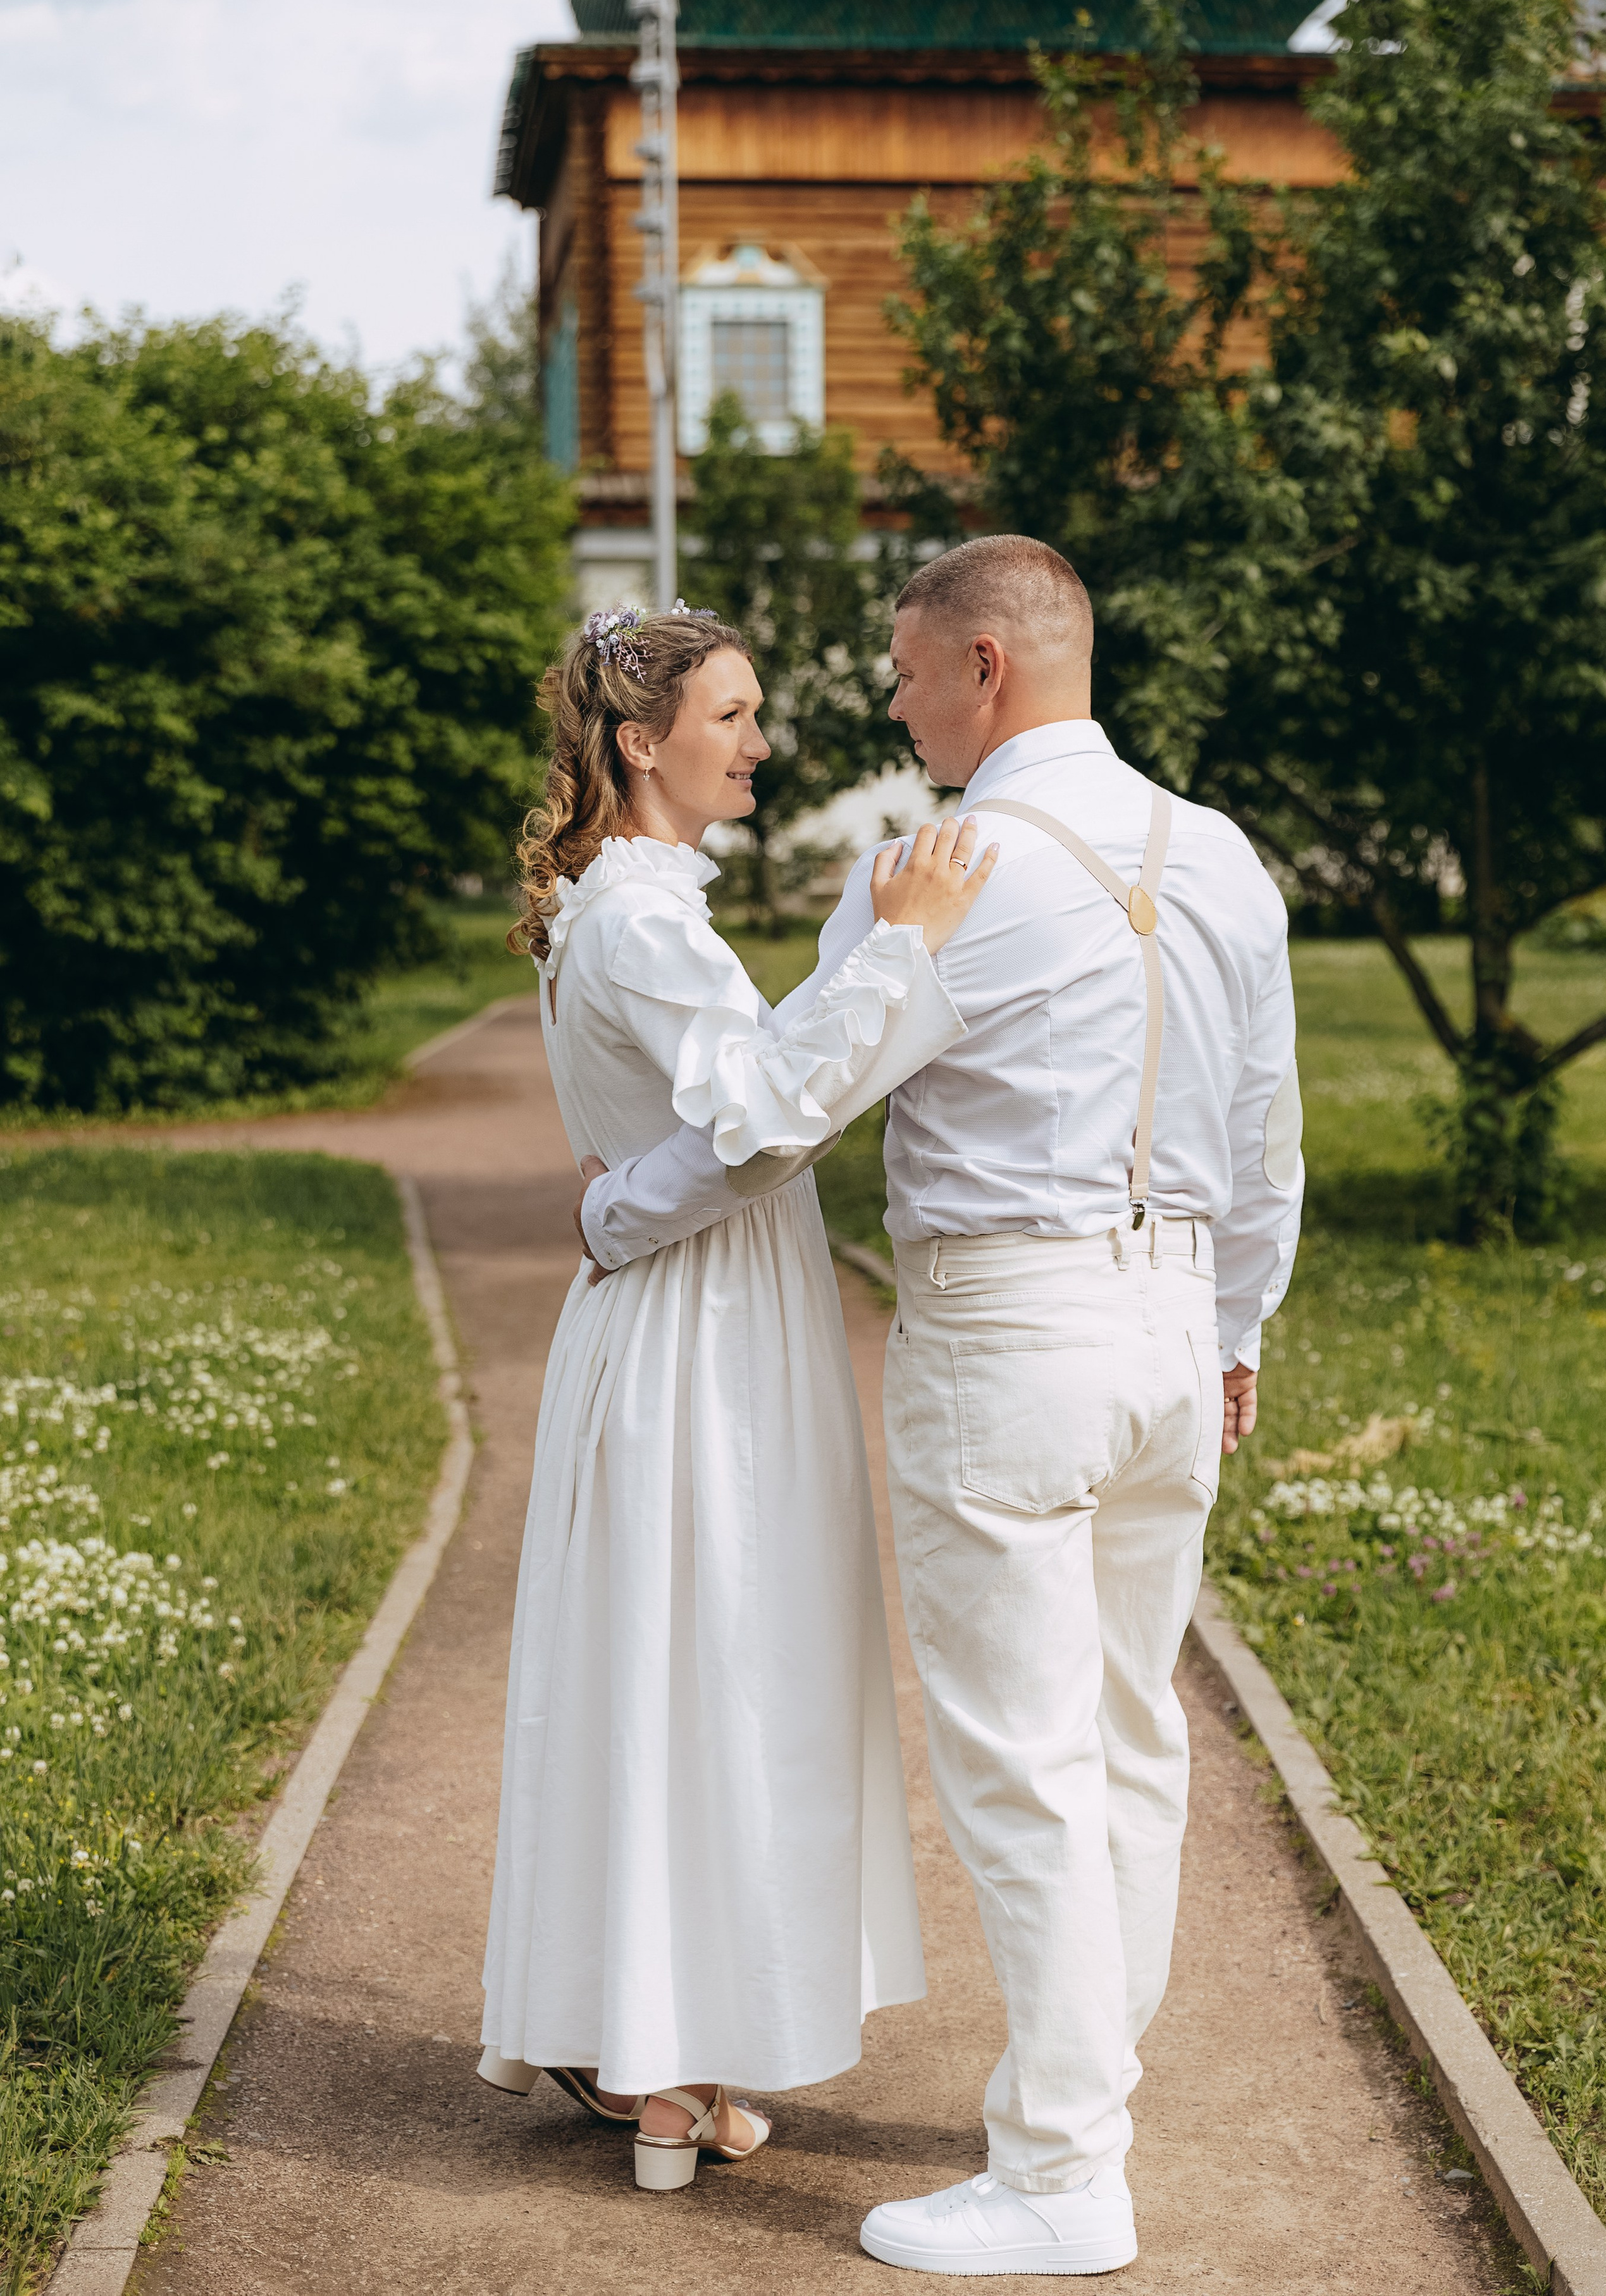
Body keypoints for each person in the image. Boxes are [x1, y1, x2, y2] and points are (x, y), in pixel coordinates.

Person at [576, 537, 1304, 2271]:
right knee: (1134, 1731)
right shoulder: (1217, 856)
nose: (890, 708)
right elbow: (1271, 1134)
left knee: (1021, 1764)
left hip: (1009, 1334)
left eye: (905, 672)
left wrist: (613, 1205)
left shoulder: (937, 868)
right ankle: (1089, 2086)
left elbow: (780, 1105)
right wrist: (1235, 1324)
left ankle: (1062, 2173)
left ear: (985, 663)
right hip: (1173, 1329)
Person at [477, 603, 997, 2194]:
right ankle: (661, 2067)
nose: (761, 740)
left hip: (703, 1309)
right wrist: (902, 945)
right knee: (706, 1665)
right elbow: (767, 1119)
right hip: (703, 1333)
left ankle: (679, 2055)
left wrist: (611, 1209)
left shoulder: (627, 904)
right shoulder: (637, 917)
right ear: (643, 741)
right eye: (734, 712)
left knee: (705, 1660)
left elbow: (722, 1108)